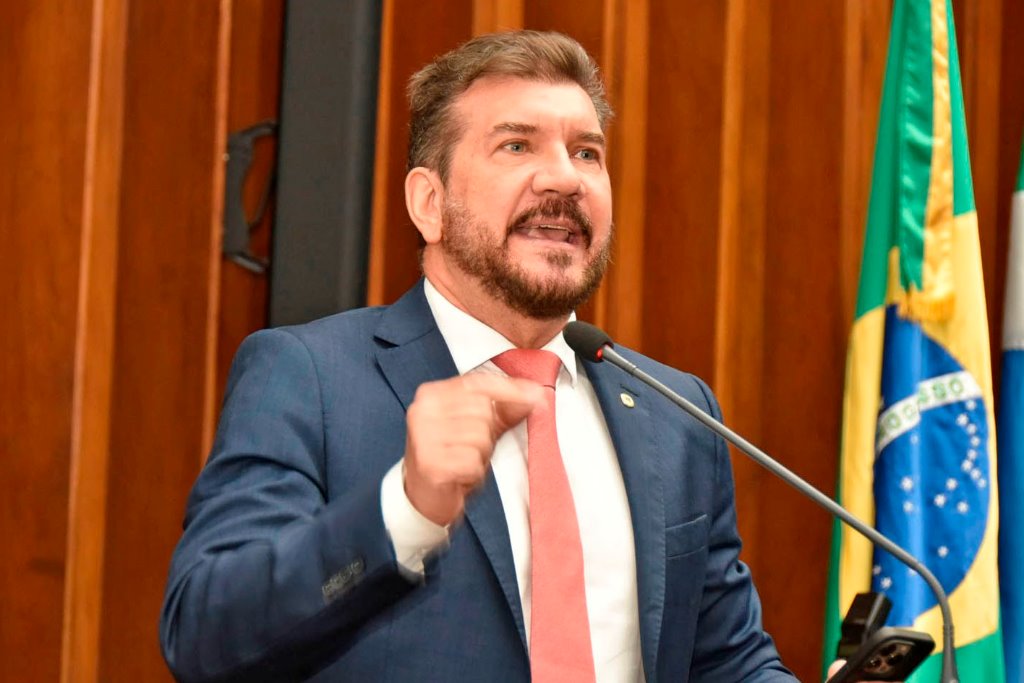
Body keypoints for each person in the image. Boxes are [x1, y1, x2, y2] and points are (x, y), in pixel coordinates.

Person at [160, 30, 856, 683]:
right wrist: (404, 510)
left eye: (587, 153)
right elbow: (203, 635)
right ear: (429, 204)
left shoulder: (676, 413)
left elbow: (727, 661)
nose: (566, 179)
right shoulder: (309, 379)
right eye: (517, 146)